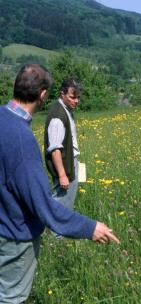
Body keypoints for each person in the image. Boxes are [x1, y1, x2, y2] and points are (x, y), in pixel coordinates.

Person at [0, 64, 120, 304]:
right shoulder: (22, 141)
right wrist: (89, 227)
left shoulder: (3, 119)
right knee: (9, 301)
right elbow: (43, 205)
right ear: (43, 94)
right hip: (14, 235)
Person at [44, 77, 82, 213]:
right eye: (72, 97)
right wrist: (62, 175)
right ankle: (54, 233)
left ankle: (58, 231)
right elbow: (55, 149)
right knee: (60, 201)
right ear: (62, 94)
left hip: (70, 162)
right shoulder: (57, 116)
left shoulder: (66, 110)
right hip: (65, 167)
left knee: (67, 201)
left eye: (78, 97)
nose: (76, 101)